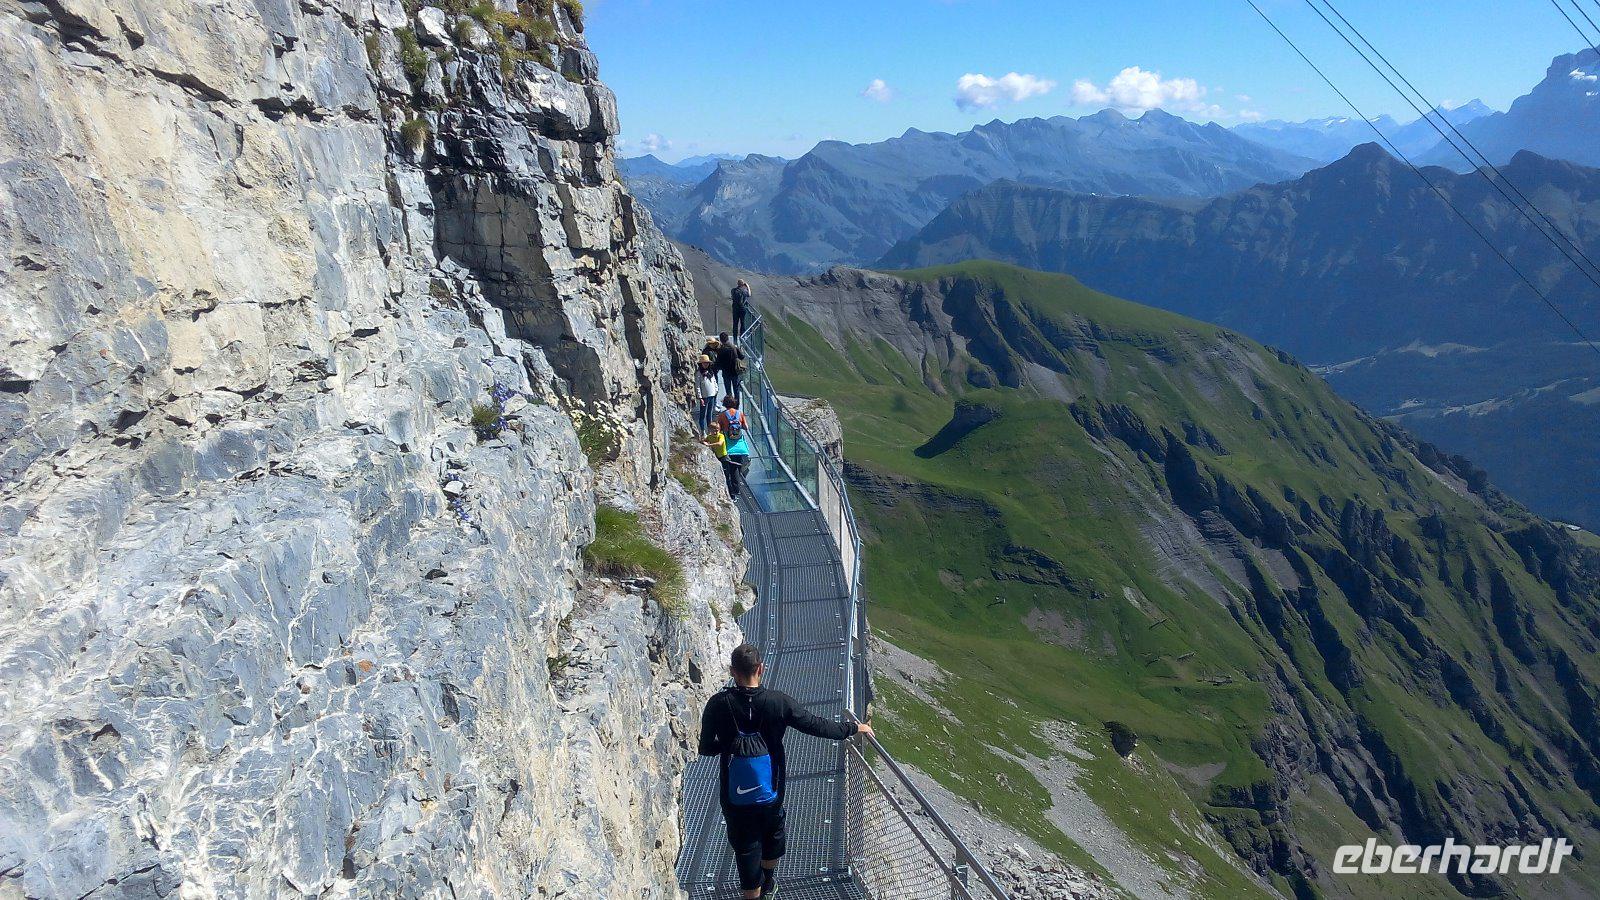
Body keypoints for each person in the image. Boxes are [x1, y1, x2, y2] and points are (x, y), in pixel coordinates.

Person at [698, 643, 874, 899]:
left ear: (732, 671)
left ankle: (754, 892)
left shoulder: (718, 704)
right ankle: (768, 883)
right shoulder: (778, 702)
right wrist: (854, 728)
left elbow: (705, 748)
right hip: (772, 788)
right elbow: (816, 725)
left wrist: (730, 745)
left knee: (746, 847)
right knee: (772, 833)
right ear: (761, 669)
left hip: (734, 794)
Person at [717, 399, 750, 499]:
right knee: (737, 469)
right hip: (740, 448)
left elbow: (718, 429)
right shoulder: (740, 414)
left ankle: (732, 493)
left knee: (729, 471)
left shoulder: (722, 415)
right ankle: (736, 490)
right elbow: (746, 427)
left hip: (728, 448)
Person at [715, 332, 744, 400]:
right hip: (735, 372)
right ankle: (736, 406)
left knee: (728, 391)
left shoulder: (720, 349)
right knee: (736, 390)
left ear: (721, 340)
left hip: (726, 373)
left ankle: (730, 406)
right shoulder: (734, 347)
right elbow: (742, 357)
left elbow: (718, 363)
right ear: (727, 338)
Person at [697, 355, 719, 434]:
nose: (706, 364)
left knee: (709, 414)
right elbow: (698, 386)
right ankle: (703, 431)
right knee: (702, 415)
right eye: (704, 363)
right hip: (704, 397)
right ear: (701, 364)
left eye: (707, 363)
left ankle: (710, 430)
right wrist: (700, 397)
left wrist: (716, 390)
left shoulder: (711, 372)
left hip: (712, 395)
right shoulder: (699, 373)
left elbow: (714, 382)